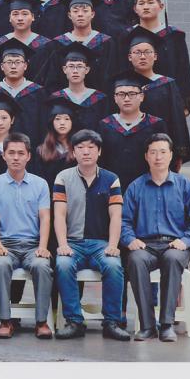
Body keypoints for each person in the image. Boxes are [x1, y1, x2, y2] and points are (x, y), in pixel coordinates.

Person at [122, 133, 190, 342]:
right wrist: (130, 239)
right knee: (135, 260)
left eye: (162, 152)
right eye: (153, 152)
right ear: (146, 156)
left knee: (172, 259)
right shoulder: (135, 187)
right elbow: (123, 221)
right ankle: (147, 326)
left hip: (174, 245)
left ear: (170, 155)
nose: (158, 157)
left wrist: (185, 241)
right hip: (145, 245)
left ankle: (167, 325)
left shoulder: (185, 186)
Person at [52, 129, 131, 341]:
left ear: (99, 151)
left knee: (113, 266)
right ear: (73, 152)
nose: (86, 152)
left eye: (91, 147)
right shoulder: (63, 178)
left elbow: (116, 216)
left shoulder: (111, 179)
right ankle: (74, 321)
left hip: (100, 244)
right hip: (73, 243)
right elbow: (59, 214)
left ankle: (111, 322)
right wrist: (63, 244)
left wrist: (113, 245)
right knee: (63, 265)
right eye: (80, 147)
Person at [0, 133, 53, 340]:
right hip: (6, 245)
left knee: (42, 265)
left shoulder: (40, 184)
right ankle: (6, 321)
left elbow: (45, 217)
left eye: (21, 153)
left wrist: (43, 246)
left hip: (33, 245)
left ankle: (41, 322)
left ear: (28, 156)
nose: (16, 157)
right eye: (11, 153)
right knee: (0, 264)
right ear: (4, 155)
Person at [124, 27, 190, 168]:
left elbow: (177, 121)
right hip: (130, 150)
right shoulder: (122, 86)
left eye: (147, 52)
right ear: (129, 57)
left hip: (161, 150)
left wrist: (179, 152)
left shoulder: (167, 84)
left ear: (155, 56)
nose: (142, 57)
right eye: (137, 52)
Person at [124, 0, 190, 113]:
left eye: (151, 2)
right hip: (135, 103)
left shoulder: (174, 35)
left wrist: (186, 103)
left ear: (161, 6)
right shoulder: (126, 36)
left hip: (169, 100)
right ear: (135, 9)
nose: (146, 7)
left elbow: (183, 69)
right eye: (141, 3)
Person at [98, 73, 168, 194]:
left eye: (132, 94)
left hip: (147, 188)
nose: (126, 99)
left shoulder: (156, 125)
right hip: (113, 189)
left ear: (141, 96)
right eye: (121, 94)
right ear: (115, 98)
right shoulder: (105, 125)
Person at [41, 0, 116, 91]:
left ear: (92, 14)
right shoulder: (58, 44)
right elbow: (52, 80)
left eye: (85, 11)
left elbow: (112, 76)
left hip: (99, 99)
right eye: (75, 11)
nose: (80, 14)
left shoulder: (106, 43)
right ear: (69, 15)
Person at [0, 38, 46, 146]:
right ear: (2, 66)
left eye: (17, 62)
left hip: (31, 149)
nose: (13, 66)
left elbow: (43, 125)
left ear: (25, 66)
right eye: (9, 62)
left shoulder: (38, 92)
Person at [0, 0, 53, 88]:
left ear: (33, 17)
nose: (20, 18)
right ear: (10, 18)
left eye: (25, 14)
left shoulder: (46, 45)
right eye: (15, 14)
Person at [47, 42, 111, 132]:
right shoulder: (56, 97)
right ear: (64, 69)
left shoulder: (99, 99)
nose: (75, 71)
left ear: (87, 70)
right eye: (71, 66)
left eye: (80, 66)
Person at [32, 96, 77, 186]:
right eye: (58, 119)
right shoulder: (42, 151)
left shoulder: (78, 149)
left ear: (72, 122)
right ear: (52, 122)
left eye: (67, 119)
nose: (62, 123)